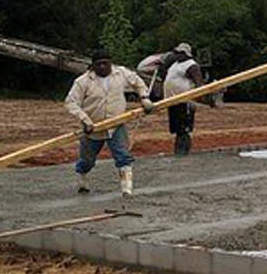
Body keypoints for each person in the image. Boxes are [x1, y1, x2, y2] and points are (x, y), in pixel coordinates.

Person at [64, 47, 154, 196]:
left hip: (116, 124)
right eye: (98, 64)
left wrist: (144, 98)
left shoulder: (121, 73)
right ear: (92, 66)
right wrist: (85, 120)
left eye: (105, 63)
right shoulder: (83, 82)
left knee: (123, 156)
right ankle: (82, 179)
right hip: (93, 127)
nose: (102, 67)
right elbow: (71, 103)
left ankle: (127, 189)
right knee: (87, 161)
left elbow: (138, 83)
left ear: (110, 63)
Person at [162, 42, 216, 156]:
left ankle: (183, 152)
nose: (177, 55)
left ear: (185, 54)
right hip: (173, 101)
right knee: (177, 128)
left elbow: (199, 83)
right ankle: (179, 150)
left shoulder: (191, 65)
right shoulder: (175, 64)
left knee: (184, 128)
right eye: (176, 53)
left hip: (185, 101)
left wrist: (206, 97)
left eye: (179, 53)